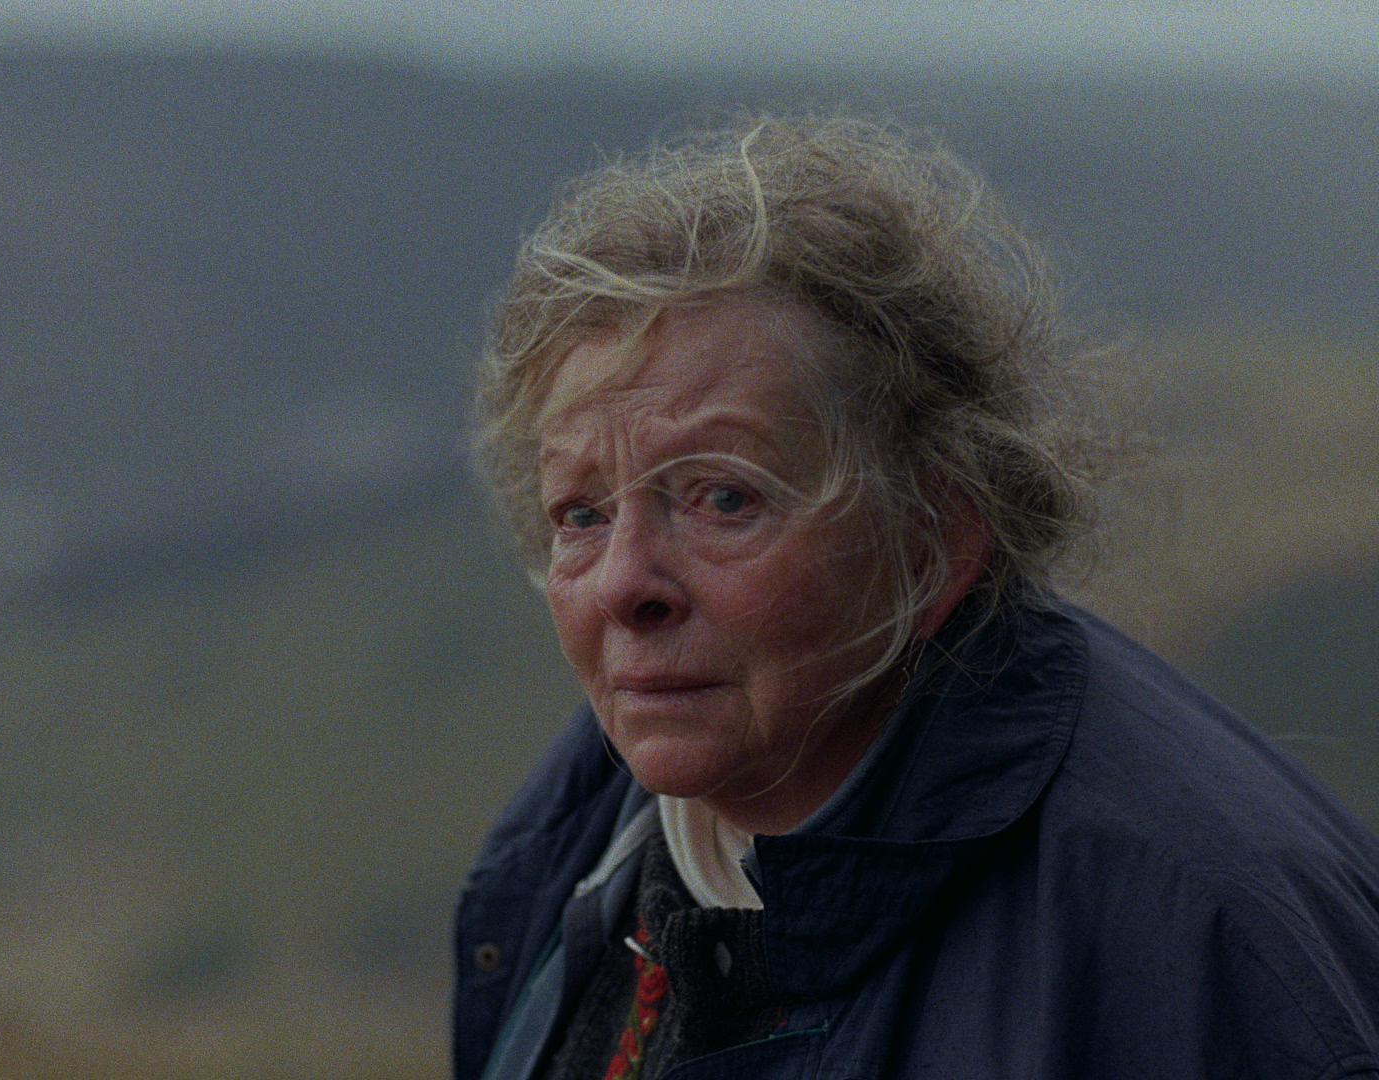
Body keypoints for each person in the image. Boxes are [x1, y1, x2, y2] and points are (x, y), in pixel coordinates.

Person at [454, 114, 1379, 1080]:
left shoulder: (1208, 957)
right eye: (582, 513)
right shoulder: (583, 823)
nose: (621, 585)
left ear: (934, 540)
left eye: (723, 498)